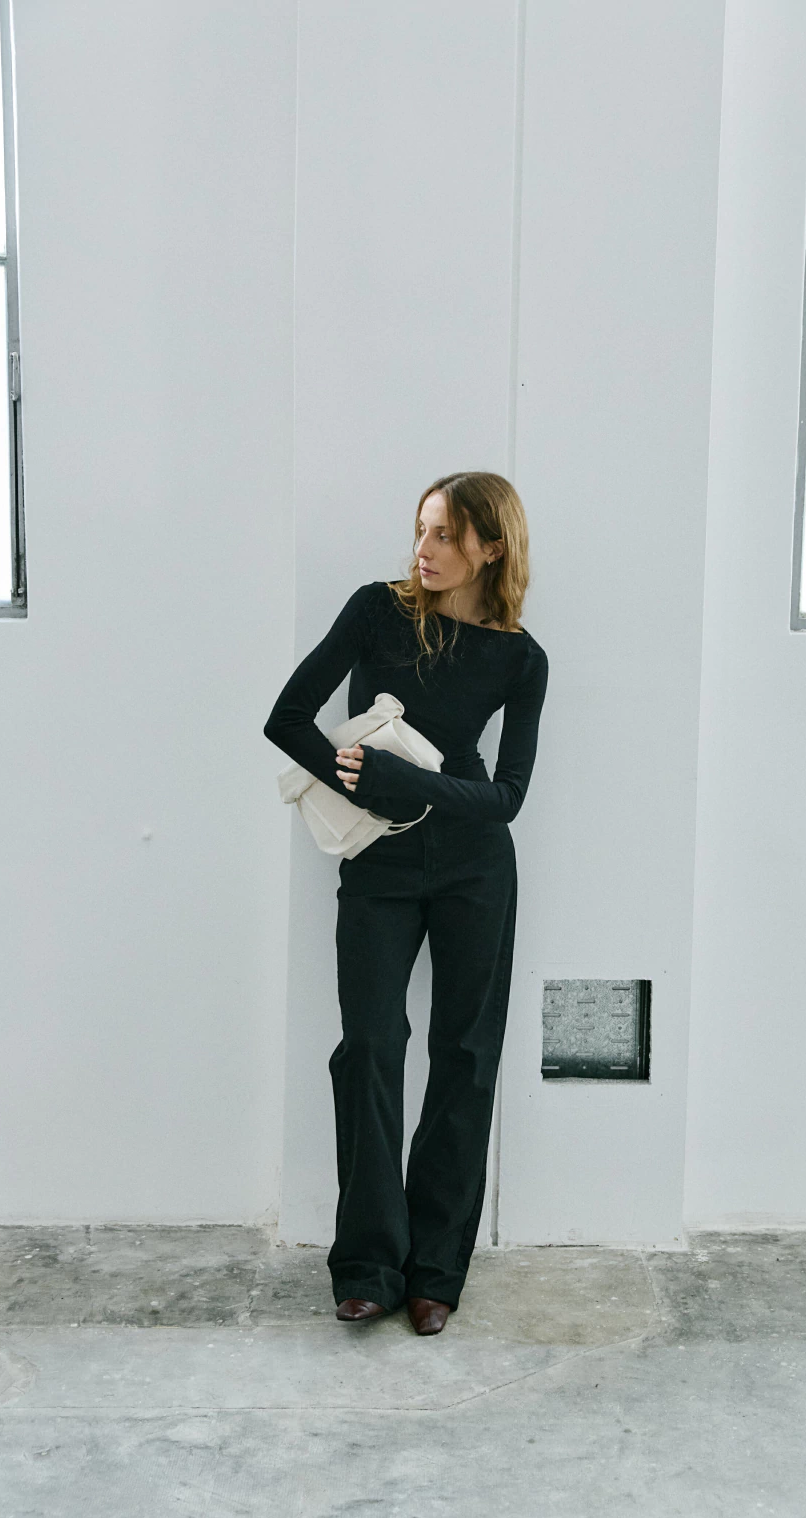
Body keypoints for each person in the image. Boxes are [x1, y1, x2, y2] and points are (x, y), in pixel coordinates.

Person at [263, 471, 549, 1336]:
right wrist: (359, 783)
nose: (423, 550)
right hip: (379, 862)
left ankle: (435, 1272)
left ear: (490, 548)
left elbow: (507, 797)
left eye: (445, 536)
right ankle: (367, 1266)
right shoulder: (376, 611)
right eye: (421, 530)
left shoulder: (521, 658)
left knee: (465, 1056)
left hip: (474, 867)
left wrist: (408, 782)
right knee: (371, 1045)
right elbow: (287, 718)